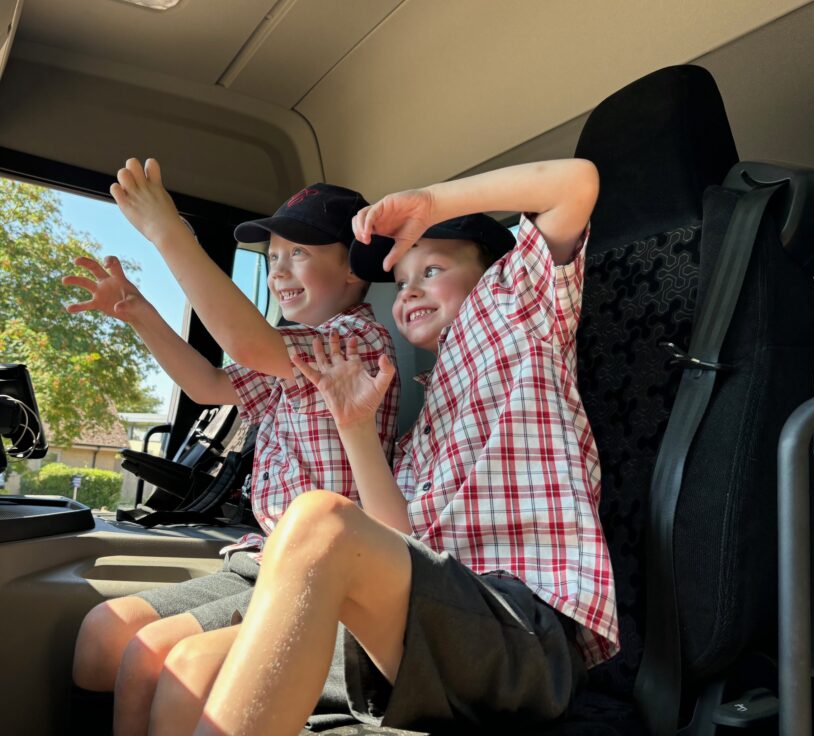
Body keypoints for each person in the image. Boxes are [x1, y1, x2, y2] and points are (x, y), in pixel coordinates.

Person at [157, 159, 618, 736]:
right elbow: (397, 539)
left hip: (522, 631)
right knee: (191, 664)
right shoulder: (421, 428)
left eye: (432, 269)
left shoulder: (517, 311)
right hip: (432, 618)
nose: (411, 291)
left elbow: (575, 184)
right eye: (401, 284)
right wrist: (354, 427)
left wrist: (432, 201)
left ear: (495, 271)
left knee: (321, 517)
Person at [63, 160, 400, 735]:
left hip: (318, 576)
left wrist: (169, 232)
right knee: (101, 635)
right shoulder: (288, 358)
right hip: (261, 557)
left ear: (353, 267)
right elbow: (209, 386)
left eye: (301, 253)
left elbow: (247, 344)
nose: (280, 271)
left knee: (155, 660)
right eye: (273, 258)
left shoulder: (356, 344)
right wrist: (138, 312)